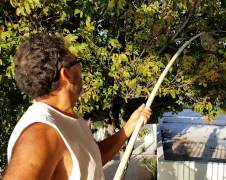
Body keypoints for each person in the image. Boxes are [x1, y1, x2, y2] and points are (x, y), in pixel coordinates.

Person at [3, 34, 152, 180]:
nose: (81, 69)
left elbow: (91, 159)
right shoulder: (40, 134)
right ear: (66, 74)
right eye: (77, 63)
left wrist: (127, 128)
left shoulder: (65, 118)